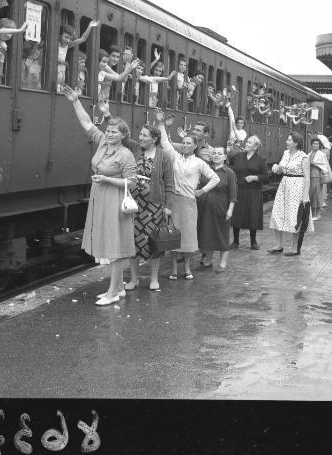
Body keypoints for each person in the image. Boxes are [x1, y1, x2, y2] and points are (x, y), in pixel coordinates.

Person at [61, 85, 137, 306]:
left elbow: (132, 181)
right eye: (109, 131)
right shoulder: (103, 142)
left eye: (115, 132)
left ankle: (113, 292)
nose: (110, 134)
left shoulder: (126, 154)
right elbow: (86, 123)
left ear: (124, 135)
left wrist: (107, 180)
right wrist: (75, 101)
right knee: (108, 242)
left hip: (114, 201)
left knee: (115, 246)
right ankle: (120, 288)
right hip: (100, 198)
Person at [154, 109, 220, 280]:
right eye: (183, 142)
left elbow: (215, 178)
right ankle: (174, 269)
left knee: (188, 236)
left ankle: (188, 268)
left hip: (189, 202)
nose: (185, 145)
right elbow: (165, 142)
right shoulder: (175, 157)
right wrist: (161, 124)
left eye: (188, 142)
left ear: (195, 145)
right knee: (174, 236)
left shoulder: (199, 162)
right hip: (174, 201)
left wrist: (202, 191)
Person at [124, 124, 175, 291]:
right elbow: (123, 137)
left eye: (144, 135)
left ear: (154, 139)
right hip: (133, 204)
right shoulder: (136, 149)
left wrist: (168, 207)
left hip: (154, 206)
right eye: (140, 134)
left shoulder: (164, 156)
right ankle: (134, 279)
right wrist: (107, 115)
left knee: (154, 242)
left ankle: (154, 279)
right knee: (133, 241)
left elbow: (169, 183)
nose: (140, 138)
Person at [269, 132, 312, 256]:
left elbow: (307, 177)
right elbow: (281, 169)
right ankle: (278, 245)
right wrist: (276, 168)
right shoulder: (285, 153)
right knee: (277, 213)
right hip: (284, 186)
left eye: (289, 140)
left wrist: (305, 196)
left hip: (297, 187)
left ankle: (294, 247)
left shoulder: (303, 157)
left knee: (295, 216)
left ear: (296, 143)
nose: (286, 142)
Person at [197, 147, 237, 273]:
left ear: (225, 157)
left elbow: (233, 194)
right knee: (207, 234)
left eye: (220, 154)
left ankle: (222, 263)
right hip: (204, 208)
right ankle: (208, 260)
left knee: (222, 235)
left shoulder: (229, 173)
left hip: (221, 208)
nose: (216, 155)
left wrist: (230, 210)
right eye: (214, 153)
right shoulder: (207, 171)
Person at [229, 135, 269, 250]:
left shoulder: (261, 160)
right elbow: (230, 168)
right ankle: (235, 241)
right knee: (237, 214)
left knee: (253, 215)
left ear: (255, 146)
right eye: (247, 142)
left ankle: (253, 241)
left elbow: (266, 177)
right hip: (238, 190)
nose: (246, 144)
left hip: (253, 192)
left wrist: (255, 177)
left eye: (249, 143)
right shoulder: (237, 157)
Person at [57, 20, 99, 92]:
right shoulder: (56, 44)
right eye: (66, 37)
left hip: (62, 76)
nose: (68, 40)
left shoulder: (67, 46)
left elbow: (83, 39)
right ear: (60, 35)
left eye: (70, 38)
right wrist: (62, 61)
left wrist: (89, 26)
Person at [0, 18, 28, 85]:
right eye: (6, 31)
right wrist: (19, 30)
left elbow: (0, 63)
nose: (7, 34)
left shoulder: (4, 46)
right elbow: (0, 31)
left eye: (10, 33)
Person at [307, 136, 330, 220]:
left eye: (317, 144)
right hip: (309, 176)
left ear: (319, 145)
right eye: (314, 143)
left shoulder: (321, 154)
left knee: (316, 194)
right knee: (311, 194)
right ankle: (312, 213)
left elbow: (324, 166)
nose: (315, 145)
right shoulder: (309, 153)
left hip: (316, 176)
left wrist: (315, 164)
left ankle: (317, 213)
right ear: (311, 144)